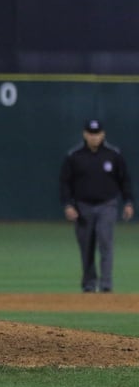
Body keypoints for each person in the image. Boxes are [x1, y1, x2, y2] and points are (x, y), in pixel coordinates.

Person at [59, 119, 134, 292]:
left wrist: (128, 202)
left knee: (105, 242)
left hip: (107, 205)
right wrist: (68, 205)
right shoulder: (74, 156)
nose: (94, 137)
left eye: (97, 134)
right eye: (91, 134)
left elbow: (125, 180)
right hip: (82, 206)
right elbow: (65, 183)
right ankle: (89, 285)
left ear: (103, 134)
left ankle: (106, 285)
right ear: (85, 134)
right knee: (86, 246)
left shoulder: (113, 154)